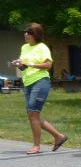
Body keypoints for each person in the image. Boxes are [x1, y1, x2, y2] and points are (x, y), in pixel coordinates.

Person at [10, 22, 67, 155]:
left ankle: (36, 146)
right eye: (25, 32)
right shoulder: (24, 47)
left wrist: (30, 63)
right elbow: (24, 66)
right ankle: (59, 136)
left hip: (40, 81)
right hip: (28, 82)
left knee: (33, 114)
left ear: (35, 35)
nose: (25, 34)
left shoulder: (42, 47)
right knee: (33, 115)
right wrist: (18, 64)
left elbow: (48, 65)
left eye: (28, 33)